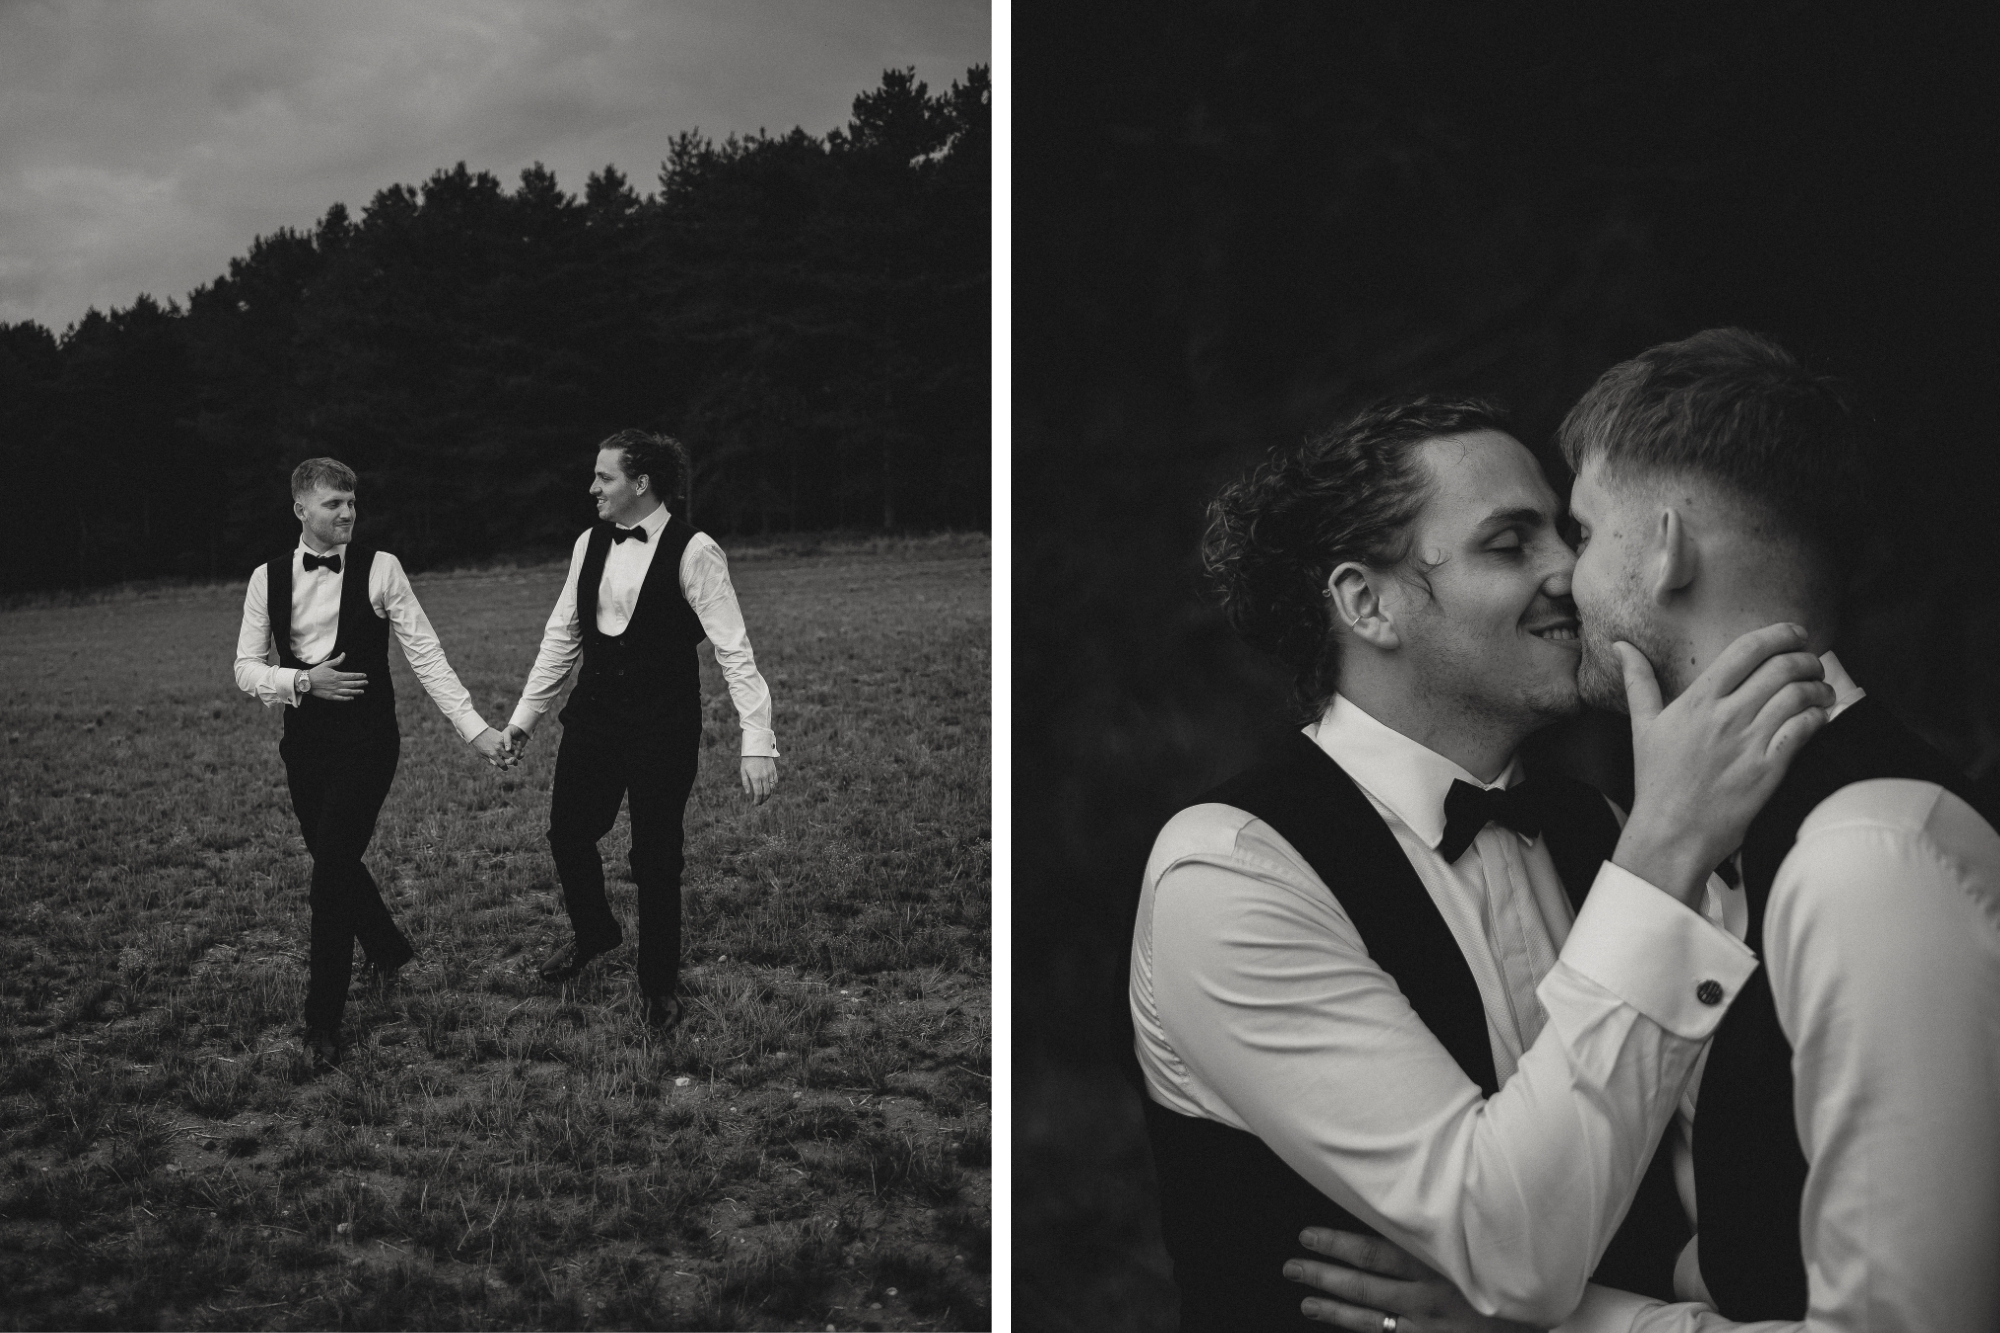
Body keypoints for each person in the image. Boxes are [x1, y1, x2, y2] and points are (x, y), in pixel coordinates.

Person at [1286, 331, 2000, 1330]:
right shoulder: (1730, 836)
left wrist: (1561, 1323)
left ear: (1664, 548)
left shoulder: (1866, 861)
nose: (1562, 576)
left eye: (1580, 532)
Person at [1132, 395, 1833, 1331]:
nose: (1569, 571)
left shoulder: (1599, 829)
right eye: (1509, 544)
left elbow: (1736, 1218)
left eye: (1565, 533)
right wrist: (1665, 850)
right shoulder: (1232, 874)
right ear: (1367, 603)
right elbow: (1516, 1246)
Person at [234, 457, 514, 1070]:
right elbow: (245, 668)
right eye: (333, 503)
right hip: (304, 745)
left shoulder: (382, 568)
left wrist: (476, 731)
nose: (348, 513)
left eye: (352, 502)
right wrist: (301, 681)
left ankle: (323, 1021)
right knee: (332, 859)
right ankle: (387, 948)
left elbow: (427, 657)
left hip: (368, 743)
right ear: (301, 509)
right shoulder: (266, 578)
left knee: (330, 873)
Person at [504, 429, 778, 1031]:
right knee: (568, 835)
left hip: (663, 726)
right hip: (593, 718)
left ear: (642, 483)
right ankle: (595, 933)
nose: (593, 487)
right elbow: (561, 637)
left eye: (604, 477)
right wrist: (524, 719)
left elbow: (735, 651)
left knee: (656, 856)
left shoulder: (695, 550)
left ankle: (658, 983)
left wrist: (756, 742)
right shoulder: (588, 543)